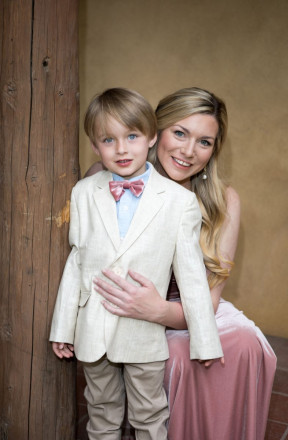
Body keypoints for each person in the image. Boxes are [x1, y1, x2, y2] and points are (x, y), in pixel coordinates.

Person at [89, 87, 277, 440]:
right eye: (180, 133)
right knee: (170, 354)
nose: (189, 151)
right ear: (154, 131)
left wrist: (158, 310)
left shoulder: (224, 201)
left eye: (204, 142)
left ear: (214, 149)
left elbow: (210, 300)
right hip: (123, 308)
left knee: (245, 341)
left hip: (190, 310)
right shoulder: (109, 176)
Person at [50, 87, 224, 440]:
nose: (122, 148)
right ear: (95, 146)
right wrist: (63, 327)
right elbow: (77, 261)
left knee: (149, 416)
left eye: (131, 136)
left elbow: (192, 277)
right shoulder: (84, 192)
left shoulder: (179, 201)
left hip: (143, 335)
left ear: (150, 138)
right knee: (101, 414)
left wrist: (205, 341)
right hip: (93, 329)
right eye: (108, 140)